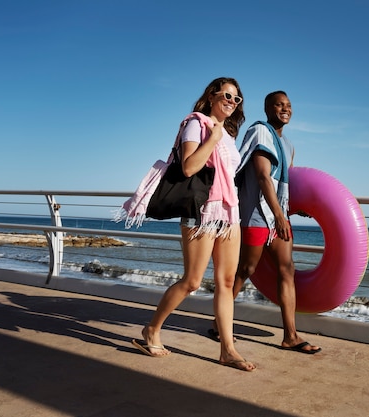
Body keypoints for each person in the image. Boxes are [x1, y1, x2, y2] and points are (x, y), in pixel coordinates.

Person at [132, 77, 256, 371]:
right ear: (212, 96)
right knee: (193, 281)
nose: (232, 102)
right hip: (202, 212)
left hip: (229, 213)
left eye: (236, 99)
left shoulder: (229, 134)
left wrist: (220, 137)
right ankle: (151, 329)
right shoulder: (196, 123)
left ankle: (228, 350)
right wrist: (212, 138)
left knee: (226, 282)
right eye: (227, 95)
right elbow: (188, 166)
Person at [212, 91, 321, 354]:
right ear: (267, 108)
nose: (285, 109)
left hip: (277, 216)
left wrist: (291, 210)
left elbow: (280, 184)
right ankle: (219, 324)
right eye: (279, 105)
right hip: (257, 215)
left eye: (289, 105)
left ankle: (291, 336)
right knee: (246, 269)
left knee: (287, 269)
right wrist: (280, 216)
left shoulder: (288, 145)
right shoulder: (261, 133)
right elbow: (262, 177)